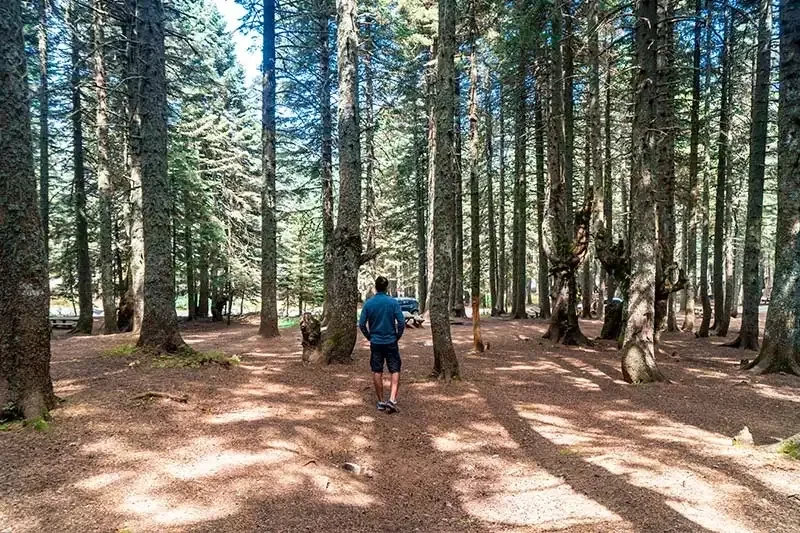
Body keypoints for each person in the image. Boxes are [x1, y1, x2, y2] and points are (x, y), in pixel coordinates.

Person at [359, 276, 405, 413]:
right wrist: (397, 336)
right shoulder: (393, 303)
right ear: (386, 288)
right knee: (395, 369)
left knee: (377, 370)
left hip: (376, 342)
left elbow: (361, 324)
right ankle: (392, 399)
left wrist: (369, 337)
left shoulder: (369, 304)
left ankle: (380, 401)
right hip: (391, 341)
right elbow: (401, 322)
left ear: (376, 287)